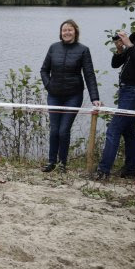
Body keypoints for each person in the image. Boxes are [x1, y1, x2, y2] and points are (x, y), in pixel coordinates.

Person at [95, 7, 135, 180]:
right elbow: (116, 64)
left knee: (114, 128)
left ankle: (103, 171)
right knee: (128, 131)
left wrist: (130, 46)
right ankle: (130, 170)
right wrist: (119, 49)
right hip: (125, 88)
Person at [39, 19, 101, 173]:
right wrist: (49, 85)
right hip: (54, 95)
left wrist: (95, 97)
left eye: (70, 30)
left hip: (73, 96)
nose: (67, 32)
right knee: (54, 130)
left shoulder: (83, 50)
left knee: (63, 130)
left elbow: (89, 75)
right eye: (64, 30)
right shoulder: (53, 48)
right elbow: (44, 70)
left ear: (75, 32)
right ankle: (51, 162)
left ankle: (62, 164)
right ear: (61, 33)